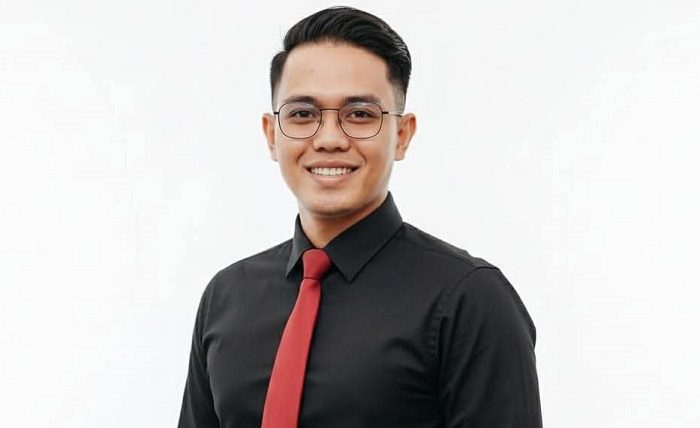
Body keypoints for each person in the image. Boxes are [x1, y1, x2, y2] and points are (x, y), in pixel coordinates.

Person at [178, 6, 542, 428]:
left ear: (402, 135)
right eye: (303, 114)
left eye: (360, 114)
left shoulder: (470, 300)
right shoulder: (226, 297)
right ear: (272, 135)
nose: (329, 139)